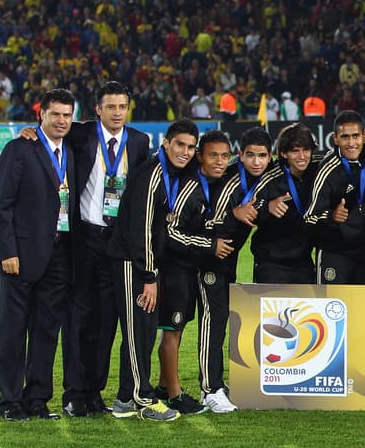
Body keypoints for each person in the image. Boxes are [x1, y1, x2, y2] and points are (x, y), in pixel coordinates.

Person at [0, 89, 77, 421]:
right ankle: (9, 401)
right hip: (20, 256)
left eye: (67, 115)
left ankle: (37, 399)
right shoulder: (19, 149)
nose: (62, 120)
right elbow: (1, 205)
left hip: (59, 255)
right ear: (41, 115)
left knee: (46, 329)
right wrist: (7, 250)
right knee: (13, 330)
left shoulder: (73, 149)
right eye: (55, 114)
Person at [63, 80, 152, 415]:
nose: (117, 113)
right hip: (83, 240)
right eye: (111, 107)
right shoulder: (81, 134)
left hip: (117, 245)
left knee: (105, 323)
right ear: (97, 109)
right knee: (77, 319)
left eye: (122, 107)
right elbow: (50, 133)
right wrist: (30, 131)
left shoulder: (140, 142)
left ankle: (94, 393)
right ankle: (74, 393)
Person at [107, 120, 202, 422]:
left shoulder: (170, 174)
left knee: (145, 331)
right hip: (131, 263)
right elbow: (141, 230)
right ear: (166, 144)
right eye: (180, 145)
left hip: (144, 264)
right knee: (138, 332)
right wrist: (149, 276)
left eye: (190, 147)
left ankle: (124, 398)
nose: (185, 152)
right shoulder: (153, 174)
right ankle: (140, 398)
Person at [195, 127, 271, 412]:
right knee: (212, 323)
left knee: (221, 320)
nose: (256, 162)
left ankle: (215, 384)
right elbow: (203, 219)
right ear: (240, 156)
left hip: (228, 260)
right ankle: (209, 390)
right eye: (250, 155)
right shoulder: (228, 180)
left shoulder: (264, 178)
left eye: (262, 156)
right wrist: (233, 214)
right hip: (208, 259)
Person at [157, 131, 232, 416]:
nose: (220, 162)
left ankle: (164, 386)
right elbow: (171, 233)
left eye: (225, 156)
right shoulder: (191, 190)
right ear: (200, 155)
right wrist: (210, 245)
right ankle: (175, 395)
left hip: (188, 268)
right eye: (213, 155)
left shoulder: (211, 184)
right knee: (172, 331)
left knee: (178, 327)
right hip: (174, 268)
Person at [305, 111, 365, 284]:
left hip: (364, 252)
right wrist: (331, 216)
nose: (351, 143)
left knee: (361, 307)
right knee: (329, 308)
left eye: (355, 136)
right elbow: (310, 217)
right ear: (335, 138)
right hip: (334, 252)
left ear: (364, 136)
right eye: (345, 137)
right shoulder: (328, 169)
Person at [251, 123, 318, 284]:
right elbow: (248, 206)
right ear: (283, 153)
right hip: (271, 263)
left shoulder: (317, 170)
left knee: (307, 309)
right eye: (295, 151)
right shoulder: (270, 176)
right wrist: (267, 207)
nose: (302, 156)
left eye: (306, 150)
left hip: (303, 261)